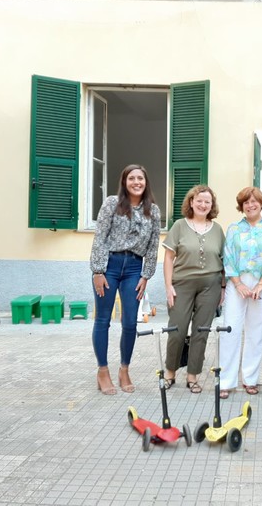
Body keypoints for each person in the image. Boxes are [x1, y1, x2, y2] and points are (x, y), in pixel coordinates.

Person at [90, 164, 161, 395]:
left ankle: (124, 369)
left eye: (140, 178)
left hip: (134, 268)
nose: (136, 182)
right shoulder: (112, 203)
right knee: (103, 320)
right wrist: (98, 271)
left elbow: (153, 246)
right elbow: (100, 237)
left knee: (130, 322)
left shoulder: (154, 210)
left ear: (145, 182)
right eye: (132, 178)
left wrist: (146, 275)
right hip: (109, 265)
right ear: (124, 181)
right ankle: (103, 371)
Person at [220, 187, 262, 399]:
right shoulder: (234, 229)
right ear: (241, 205)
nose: (250, 205)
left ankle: (250, 379)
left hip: (261, 284)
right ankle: (226, 381)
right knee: (231, 331)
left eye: (254, 201)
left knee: (256, 332)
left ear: (261, 203)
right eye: (246, 202)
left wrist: (260, 285)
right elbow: (227, 257)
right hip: (236, 283)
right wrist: (238, 284)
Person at [163, 185, 225, 394]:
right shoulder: (179, 226)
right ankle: (170, 372)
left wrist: (223, 287)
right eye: (199, 200)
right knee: (177, 330)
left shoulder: (217, 229)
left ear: (211, 205)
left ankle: (193, 376)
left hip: (211, 285)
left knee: (201, 332)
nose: (203, 204)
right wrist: (168, 286)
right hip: (182, 284)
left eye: (207, 201)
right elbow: (169, 258)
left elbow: (224, 260)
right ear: (191, 202)